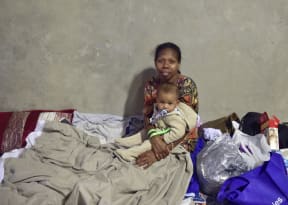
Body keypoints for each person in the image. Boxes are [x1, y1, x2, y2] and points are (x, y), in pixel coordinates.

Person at [135, 42, 199, 169]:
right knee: (135, 156)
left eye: (171, 61)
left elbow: (190, 125)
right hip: (158, 131)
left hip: (181, 138)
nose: (165, 65)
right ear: (155, 62)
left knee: (159, 168)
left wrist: (157, 153)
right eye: (161, 61)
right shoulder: (151, 85)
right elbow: (148, 115)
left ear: (178, 64)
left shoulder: (186, 86)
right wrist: (154, 137)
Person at [115, 82, 197, 161]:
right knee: (142, 133)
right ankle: (125, 142)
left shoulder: (174, 117)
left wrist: (164, 139)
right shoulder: (158, 108)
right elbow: (151, 117)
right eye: (162, 102)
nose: (165, 106)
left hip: (165, 134)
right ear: (157, 100)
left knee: (147, 144)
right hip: (158, 129)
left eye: (169, 103)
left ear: (176, 104)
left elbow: (179, 132)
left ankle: (129, 154)